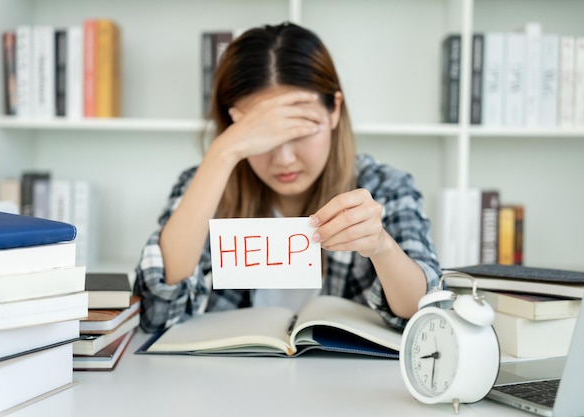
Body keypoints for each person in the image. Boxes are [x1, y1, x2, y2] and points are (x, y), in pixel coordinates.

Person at [134, 22, 441, 334]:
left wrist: (382, 247)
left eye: (302, 129)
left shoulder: (385, 187)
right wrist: (223, 152)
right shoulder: (206, 184)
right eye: (261, 134)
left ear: (334, 110)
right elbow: (158, 312)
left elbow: (425, 314)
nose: (283, 159)